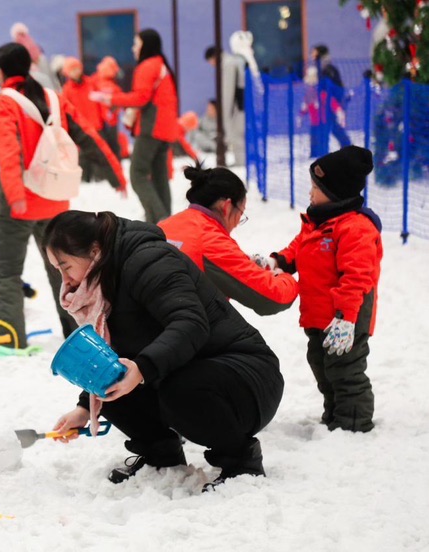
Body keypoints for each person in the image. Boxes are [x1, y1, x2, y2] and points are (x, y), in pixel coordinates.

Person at [44, 210, 284, 490]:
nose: (66, 279)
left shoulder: (148, 260)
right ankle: (161, 457)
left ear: (94, 251)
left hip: (246, 380)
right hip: (191, 370)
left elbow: (190, 323)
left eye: (66, 266)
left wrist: (143, 368)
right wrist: (85, 408)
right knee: (109, 382)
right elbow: (116, 350)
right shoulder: (103, 278)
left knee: (180, 389)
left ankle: (241, 462)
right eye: (56, 269)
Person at [0, 42, 126, 347]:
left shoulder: (4, 102)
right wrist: (115, 172)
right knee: (63, 270)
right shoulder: (53, 97)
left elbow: (9, 152)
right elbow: (87, 135)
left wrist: (15, 196)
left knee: (7, 272)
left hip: (19, 203)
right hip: (53, 200)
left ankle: (9, 337)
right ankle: (77, 332)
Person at [266, 146, 381, 432]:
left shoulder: (355, 228)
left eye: (316, 187)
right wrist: (278, 260)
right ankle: (334, 415)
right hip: (318, 314)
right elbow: (298, 248)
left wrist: (346, 318)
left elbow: (357, 275)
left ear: (335, 192)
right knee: (321, 363)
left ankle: (353, 423)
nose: (310, 193)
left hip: (346, 315)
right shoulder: (317, 222)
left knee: (346, 370)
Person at [158, 166, 298, 315]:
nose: (238, 222)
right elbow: (272, 298)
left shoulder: (167, 225)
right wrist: (283, 277)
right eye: (241, 213)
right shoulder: (210, 241)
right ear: (226, 206)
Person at [91, 29, 179, 224]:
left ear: (145, 45)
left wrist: (110, 98)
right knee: (159, 177)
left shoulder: (147, 66)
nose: (133, 49)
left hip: (151, 127)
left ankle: (161, 218)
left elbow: (140, 98)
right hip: (165, 128)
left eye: (136, 44)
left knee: (137, 174)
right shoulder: (161, 64)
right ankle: (165, 222)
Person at [61, 57, 104, 183]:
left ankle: (99, 177)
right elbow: (66, 110)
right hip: (80, 126)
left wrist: (102, 118)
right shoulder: (67, 89)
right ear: (67, 73)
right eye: (72, 70)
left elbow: (100, 102)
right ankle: (84, 179)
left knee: (98, 152)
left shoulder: (91, 83)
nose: (76, 71)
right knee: (84, 155)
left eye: (77, 68)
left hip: (96, 124)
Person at [204, 45, 246, 166]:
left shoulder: (228, 65)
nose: (211, 64)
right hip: (240, 105)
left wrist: (224, 113)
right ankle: (241, 161)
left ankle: (241, 163)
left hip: (237, 107)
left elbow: (228, 92)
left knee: (237, 135)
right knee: (239, 136)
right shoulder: (232, 62)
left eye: (210, 61)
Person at [310, 44, 351, 152]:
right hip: (328, 101)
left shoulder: (328, 69)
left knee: (334, 126)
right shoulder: (321, 67)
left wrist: (336, 103)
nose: (312, 55)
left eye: (314, 52)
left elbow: (331, 86)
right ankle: (327, 148)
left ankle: (346, 146)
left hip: (334, 101)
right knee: (330, 126)